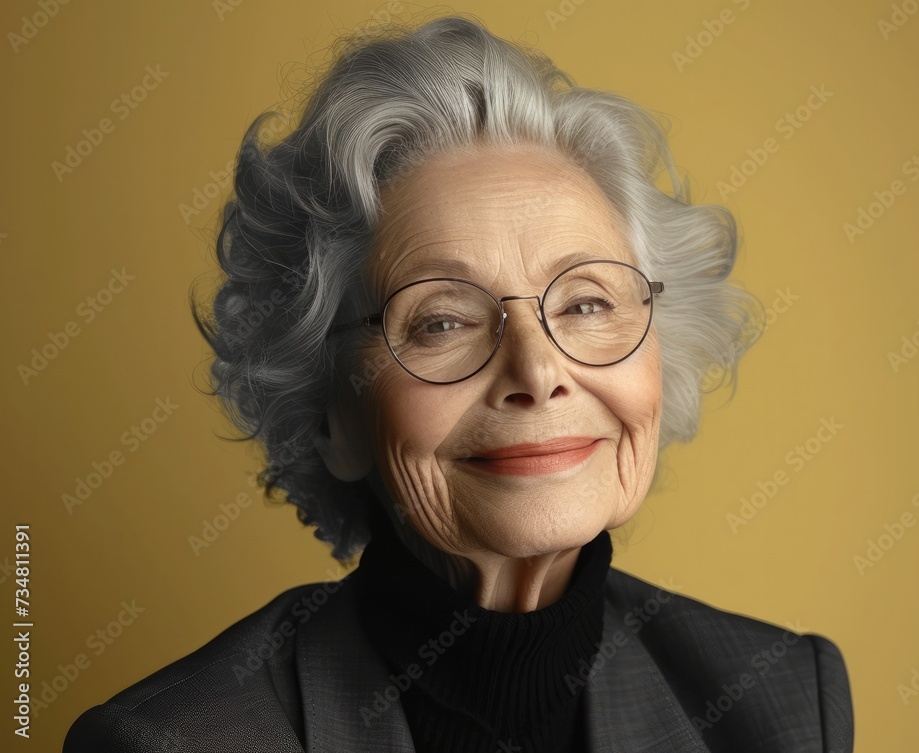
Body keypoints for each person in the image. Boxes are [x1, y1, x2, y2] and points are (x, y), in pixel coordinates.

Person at [64, 14, 853, 753]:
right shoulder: (172, 739)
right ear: (330, 413)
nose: (538, 373)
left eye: (585, 302)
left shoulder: (781, 701)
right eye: (442, 320)